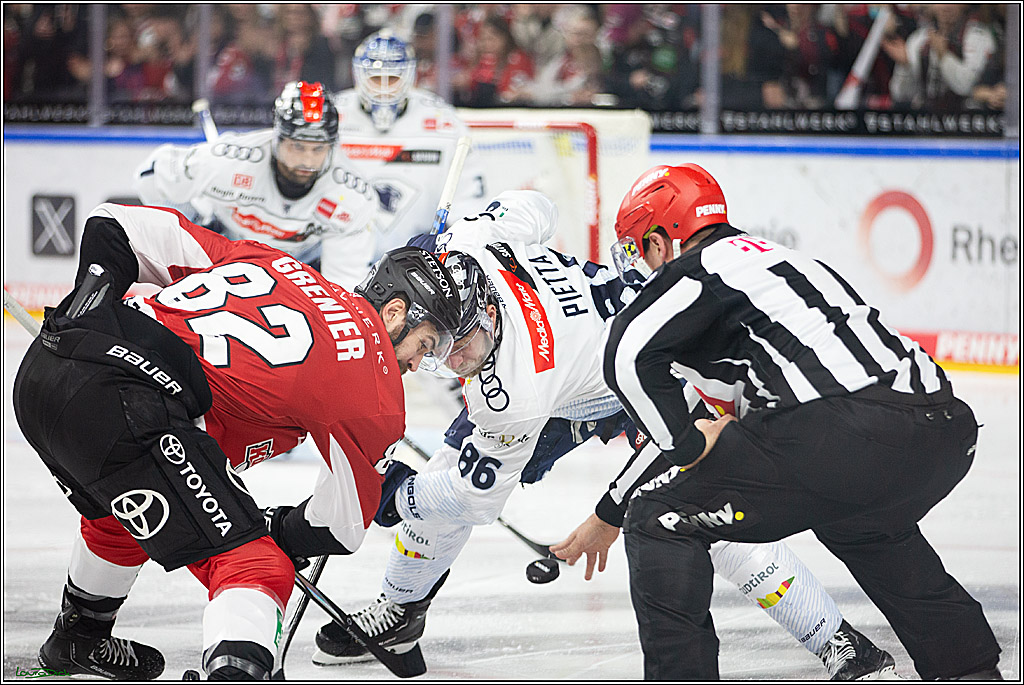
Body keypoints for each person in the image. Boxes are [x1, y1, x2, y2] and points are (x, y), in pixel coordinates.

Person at [310, 190, 897, 680]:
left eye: (460, 342)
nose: (455, 359)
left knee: (702, 514)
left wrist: (398, 498)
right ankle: (404, 610)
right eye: (442, 344)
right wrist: (472, 220)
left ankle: (836, 639)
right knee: (447, 469)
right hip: (595, 354)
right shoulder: (474, 249)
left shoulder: (509, 389)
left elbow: (477, 500)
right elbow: (535, 205)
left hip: (651, 377)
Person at [560, 163, 1003, 680]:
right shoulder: (780, 265)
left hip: (838, 431)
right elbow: (714, 423)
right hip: (943, 429)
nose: (640, 264)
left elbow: (625, 354)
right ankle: (970, 671)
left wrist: (682, 451)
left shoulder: (698, 270)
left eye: (639, 248)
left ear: (663, 239)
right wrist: (611, 509)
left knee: (660, 520)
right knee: (867, 527)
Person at [12, 202, 463, 680]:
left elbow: (116, 223)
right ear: (395, 313)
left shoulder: (278, 264)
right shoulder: (377, 391)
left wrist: (87, 303)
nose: (417, 364)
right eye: (426, 345)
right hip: (127, 406)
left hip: (44, 374)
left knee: (123, 512)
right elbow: (343, 525)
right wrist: (279, 532)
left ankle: (78, 638)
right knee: (256, 565)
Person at [134, 80, 378, 290]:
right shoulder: (228, 161)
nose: (307, 160)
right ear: (277, 138)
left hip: (299, 269)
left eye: (318, 149)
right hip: (223, 251)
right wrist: (189, 231)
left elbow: (344, 282)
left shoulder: (353, 195)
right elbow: (151, 174)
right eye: (297, 146)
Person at [332, 29, 485, 262]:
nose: (383, 88)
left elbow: (469, 204)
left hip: (418, 261)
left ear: (409, 76)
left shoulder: (444, 121)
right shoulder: (333, 114)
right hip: (341, 253)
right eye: (375, 78)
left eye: (392, 78)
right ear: (358, 76)